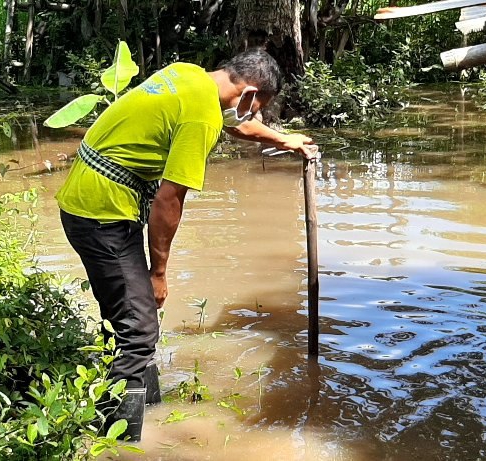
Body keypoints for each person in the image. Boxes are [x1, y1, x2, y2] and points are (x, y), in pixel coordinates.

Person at [55, 49, 316, 441]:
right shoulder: (200, 117)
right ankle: (118, 442)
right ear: (248, 94)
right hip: (103, 215)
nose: (253, 115)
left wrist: (283, 139)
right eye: (257, 106)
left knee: (128, 316)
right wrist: (159, 273)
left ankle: (150, 410)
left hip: (85, 200)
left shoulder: (188, 76)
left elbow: (234, 125)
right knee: (139, 329)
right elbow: (168, 199)